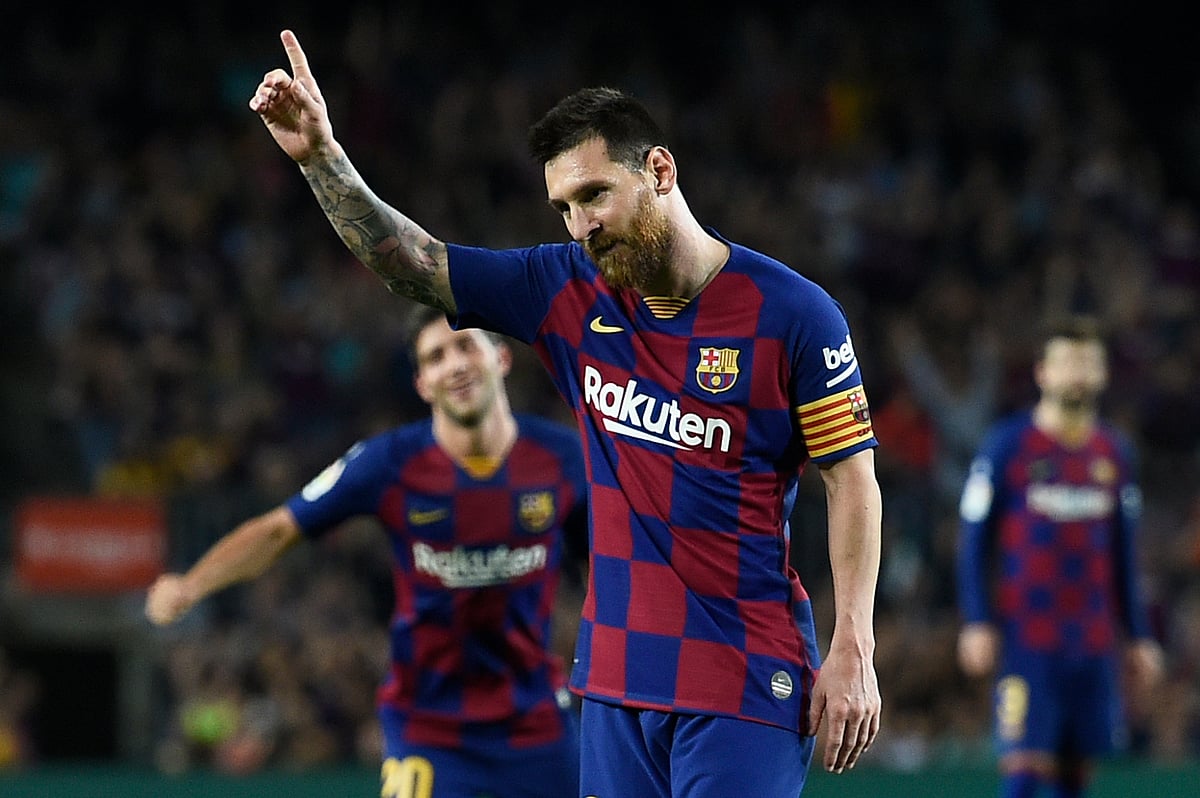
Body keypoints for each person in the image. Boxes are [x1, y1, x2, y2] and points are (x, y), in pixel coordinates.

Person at [248, 29, 883, 797]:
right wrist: (320, 156)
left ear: (659, 170)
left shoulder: (794, 315)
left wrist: (855, 641)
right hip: (614, 685)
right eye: (563, 208)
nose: (579, 225)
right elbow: (412, 263)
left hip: (744, 680)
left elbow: (851, 480)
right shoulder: (567, 292)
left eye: (593, 196)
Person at [146, 306, 589, 798]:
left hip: (538, 726)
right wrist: (192, 585)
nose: (456, 364)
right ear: (422, 383)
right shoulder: (389, 462)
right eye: (436, 356)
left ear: (501, 358)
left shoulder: (563, 457)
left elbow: (610, 561)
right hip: (428, 728)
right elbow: (278, 530)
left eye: (466, 345)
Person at [956, 314, 1164, 798]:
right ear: (1042, 372)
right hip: (1027, 639)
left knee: (1075, 777)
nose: (1078, 372)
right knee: (1026, 774)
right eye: (1067, 361)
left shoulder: (1114, 453)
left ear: (1104, 374)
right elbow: (973, 539)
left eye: (1088, 362)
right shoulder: (1007, 445)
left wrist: (1137, 634)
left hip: (1092, 641)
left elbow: (1124, 552)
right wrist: (976, 619)